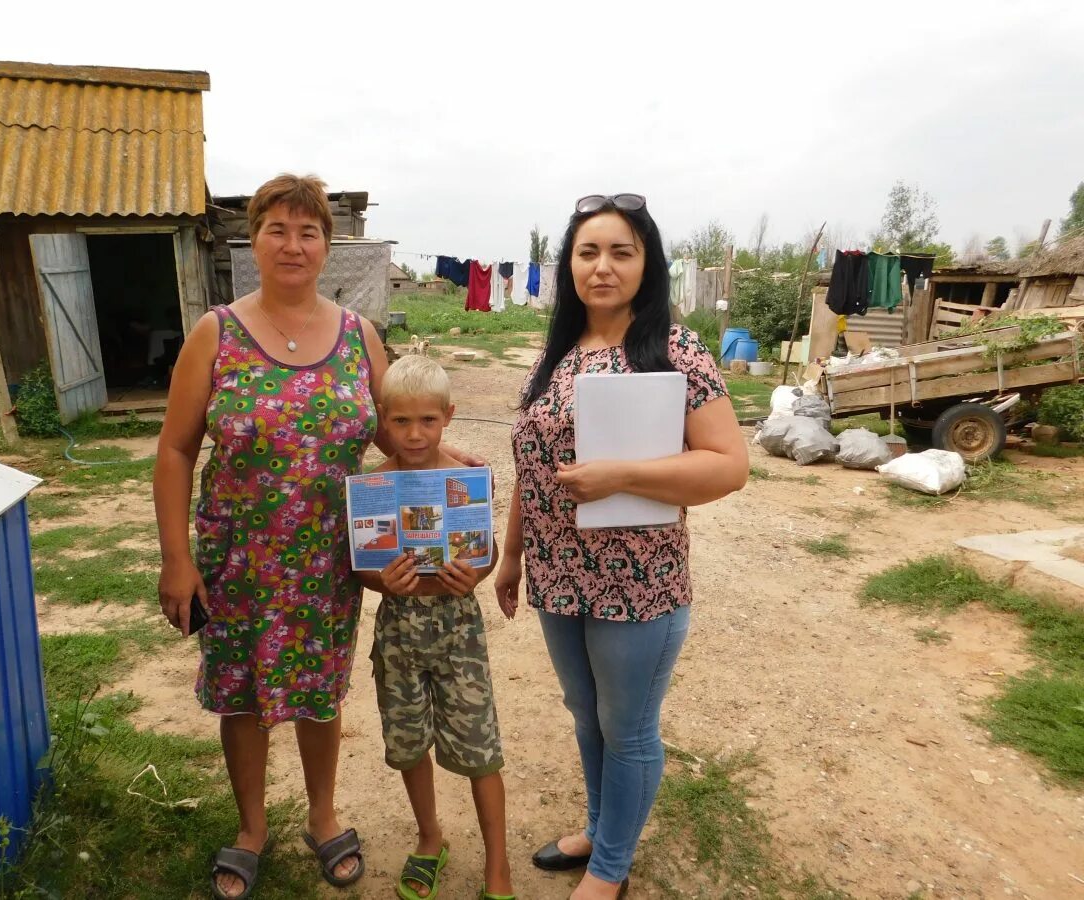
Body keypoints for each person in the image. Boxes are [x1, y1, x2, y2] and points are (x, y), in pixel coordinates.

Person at [153, 174, 481, 899]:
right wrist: (177, 560)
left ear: (327, 246)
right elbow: (175, 450)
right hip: (236, 556)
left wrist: (451, 459)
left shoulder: (359, 336)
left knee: (318, 694)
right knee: (242, 695)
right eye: (278, 229)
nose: (293, 244)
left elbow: (397, 427)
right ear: (255, 240)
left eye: (309, 232)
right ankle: (251, 827)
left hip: (329, 558)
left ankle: (324, 817)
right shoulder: (216, 332)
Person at [494, 193, 749, 900]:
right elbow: (533, 466)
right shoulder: (557, 354)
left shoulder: (672, 348)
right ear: (569, 264)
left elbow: (729, 464)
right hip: (556, 578)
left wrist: (622, 476)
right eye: (588, 251)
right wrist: (513, 555)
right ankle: (603, 829)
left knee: (627, 727)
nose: (603, 266)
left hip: (636, 583)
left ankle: (610, 869)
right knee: (587, 715)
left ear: (647, 264)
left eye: (621, 252)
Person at [358, 355, 514, 900]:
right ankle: (430, 838)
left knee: (480, 748)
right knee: (407, 743)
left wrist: (477, 571)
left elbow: (486, 554)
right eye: (400, 421)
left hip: (458, 632)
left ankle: (499, 864)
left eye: (428, 420)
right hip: (397, 633)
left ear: (448, 415)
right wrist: (384, 580)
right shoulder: (373, 484)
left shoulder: (466, 479)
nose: (415, 433)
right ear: (383, 418)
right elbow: (362, 565)